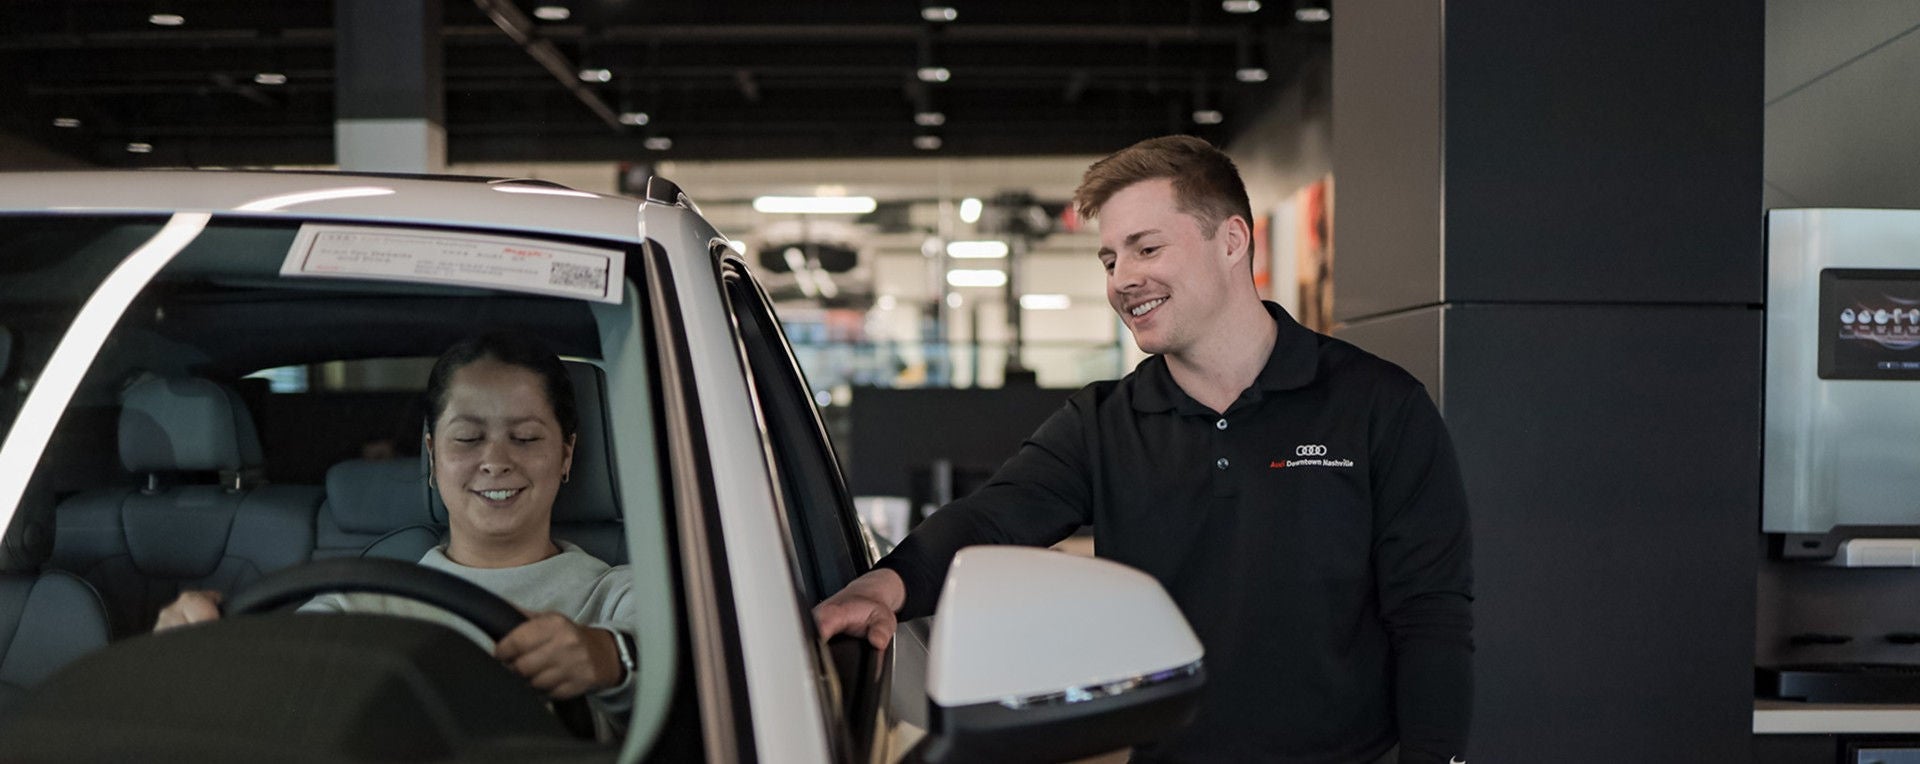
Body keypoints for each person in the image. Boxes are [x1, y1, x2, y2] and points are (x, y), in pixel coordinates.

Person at [814, 136, 1473, 763]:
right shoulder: (1103, 421)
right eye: (1109, 260)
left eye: (1146, 249)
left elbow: (1432, 616)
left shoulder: (1377, 404)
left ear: (1232, 242)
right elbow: (993, 516)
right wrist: (885, 583)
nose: (1123, 279)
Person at [156, 331, 638, 732]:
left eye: (526, 438)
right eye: (468, 438)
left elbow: (689, 685)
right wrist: (201, 653)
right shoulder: (358, 602)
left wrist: (608, 657)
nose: (494, 461)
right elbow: (275, 686)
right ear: (431, 455)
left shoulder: (620, 596)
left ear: (567, 454)